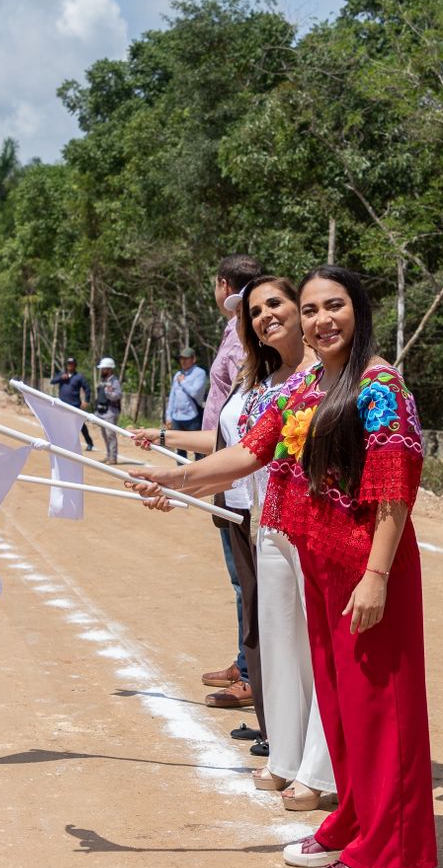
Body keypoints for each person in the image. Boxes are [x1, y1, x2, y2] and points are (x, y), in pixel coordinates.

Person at [129, 265, 435, 868]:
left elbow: (393, 490)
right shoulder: (305, 387)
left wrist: (376, 576)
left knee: (381, 709)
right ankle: (353, 818)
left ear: (359, 310)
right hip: (320, 562)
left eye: (335, 307)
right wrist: (172, 481)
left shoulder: (379, 386)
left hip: (366, 568)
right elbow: (249, 455)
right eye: (316, 308)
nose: (323, 320)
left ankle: (389, 851)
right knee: (342, 703)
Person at [137, 275, 335, 809]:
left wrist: (177, 480)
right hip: (265, 521)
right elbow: (244, 457)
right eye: (255, 311)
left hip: (320, 526)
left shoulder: (329, 373)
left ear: (301, 309)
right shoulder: (263, 382)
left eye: (276, 304)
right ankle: (288, 757)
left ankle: (322, 767)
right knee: (277, 645)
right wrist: (178, 487)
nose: (266, 316)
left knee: (319, 651)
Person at [198, 253, 264, 709]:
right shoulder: (233, 330)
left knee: (249, 580)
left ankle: (253, 672)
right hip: (224, 461)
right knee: (241, 577)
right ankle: (245, 661)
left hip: (238, 468)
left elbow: (246, 402)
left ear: (224, 285)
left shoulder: (244, 334)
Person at [163, 346, 209, 460]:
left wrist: (183, 382)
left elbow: (195, 392)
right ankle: (181, 473)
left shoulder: (200, 373)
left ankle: (199, 474)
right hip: (177, 417)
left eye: (186, 358)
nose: (183, 361)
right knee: (179, 448)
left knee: (198, 448)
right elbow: (172, 396)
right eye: (181, 358)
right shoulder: (178, 374)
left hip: (192, 416)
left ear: (193, 359)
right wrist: (168, 416)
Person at [50, 357, 95, 451]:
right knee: (62, 424)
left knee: (81, 425)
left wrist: (86, 401)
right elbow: (52, 381)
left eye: (72, 364)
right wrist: (60, 378)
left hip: (75, 405)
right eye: (68, 364)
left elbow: (87, 389)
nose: (70, 365)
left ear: (75, 365)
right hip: (62, 405)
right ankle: (63, 443)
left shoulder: (79, 377)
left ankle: (89, 443)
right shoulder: (62, 374)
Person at [93, 357, 122, 463]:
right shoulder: (103, 380)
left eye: (103, 369)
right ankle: (109, 455)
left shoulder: (114, 382)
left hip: (111, 411)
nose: (102, 371)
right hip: (102, 411)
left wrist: (108, 392)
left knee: (110, 435)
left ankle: (113, 457)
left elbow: (117, 395)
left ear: (109, 369)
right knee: (105, 434)